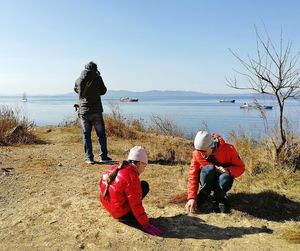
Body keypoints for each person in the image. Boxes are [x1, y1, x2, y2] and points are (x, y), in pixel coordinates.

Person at [99, 146, 162, 236]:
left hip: (109, 207)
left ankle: (123, 213)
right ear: (139, 163)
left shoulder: (113, 168)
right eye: (145, 165)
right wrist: (145, 224)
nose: (144, 169)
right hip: (120, 214)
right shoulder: (132, 177)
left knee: (136, 188)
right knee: (144, 186)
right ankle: (127, 217)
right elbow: (136, 204)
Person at [185, 131, 245, 213]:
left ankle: (219, 197)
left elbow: (240, 167)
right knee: (208, 169)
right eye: (199, 151)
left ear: (212, 147)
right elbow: (193, 175)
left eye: (204, 151)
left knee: (225, 177)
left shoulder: (229, 149)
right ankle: (205, 193)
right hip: (206, 181)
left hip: (222, 181)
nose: (201, 154)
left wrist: (227, 171)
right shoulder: (197, 153)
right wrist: (192, 197)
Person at [74, 61, 112, 164]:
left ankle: (89, 158)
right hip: (96, 111)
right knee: (101, 134)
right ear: (95, 69)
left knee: (86, 134)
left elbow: (76, 90)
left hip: (83, 111)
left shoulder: (78, 79)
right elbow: (103, 91)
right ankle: (103, 156)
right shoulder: (97, 78)